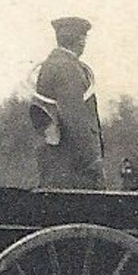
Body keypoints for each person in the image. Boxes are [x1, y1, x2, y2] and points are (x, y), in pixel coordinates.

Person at [29, 16, 105, 188]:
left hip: (59, 166)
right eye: (83, 37)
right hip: (74, 170)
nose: (84, 42)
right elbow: (74, 119)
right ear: (78, 39)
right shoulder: (67, 68)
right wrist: (91, 162)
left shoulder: (54, 64)